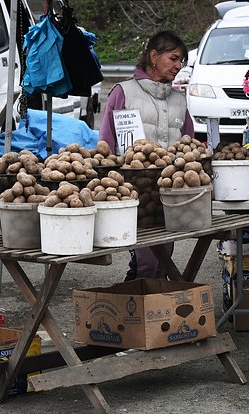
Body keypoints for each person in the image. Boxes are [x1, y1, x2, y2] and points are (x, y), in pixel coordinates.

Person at [98, 30, 195, 281]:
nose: (178, 66)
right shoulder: (124, 92)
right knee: (146, 262)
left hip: (171, 189)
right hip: (135, 189)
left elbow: (189, 142)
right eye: (173, 58)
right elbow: (106, 144)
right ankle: (136, 303)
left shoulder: (179, 100)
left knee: (165, 256)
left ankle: (155, 306)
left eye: (181, 61)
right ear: (154, 56)